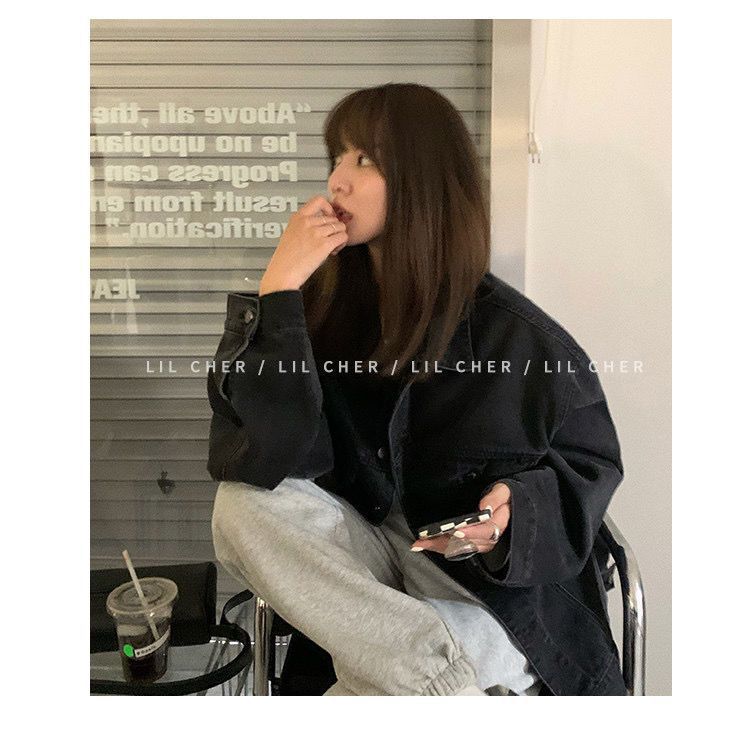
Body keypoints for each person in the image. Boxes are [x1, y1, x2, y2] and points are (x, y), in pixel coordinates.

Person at [207, 83, 626, 696]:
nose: (338, 181)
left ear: (421, 181)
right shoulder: (323, 314)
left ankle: (424, 680)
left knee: (364, 692)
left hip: (483, 599)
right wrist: (278, 295)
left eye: (364, 160)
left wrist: (515, 512)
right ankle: (439, 684)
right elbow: (265, 460)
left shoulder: (522, 340)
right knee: (240, 506)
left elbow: (590, 467)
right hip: (382, 590)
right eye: (337, 158)